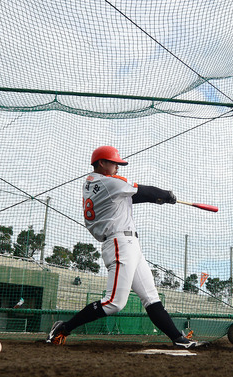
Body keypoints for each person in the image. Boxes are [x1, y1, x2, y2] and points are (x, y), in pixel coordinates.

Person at [46, 145, 205, 348]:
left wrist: (157, 199)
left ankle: (178, 339)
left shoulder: (93, 183)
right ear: (101, 163)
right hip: (119, 242)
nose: (118, 167)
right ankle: (64, 327)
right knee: (114, 303)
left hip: (129, 244)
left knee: (151, 297)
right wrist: (166, 194)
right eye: (114, 163)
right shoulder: (109, 182)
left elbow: (130, 197)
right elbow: (144, 190)